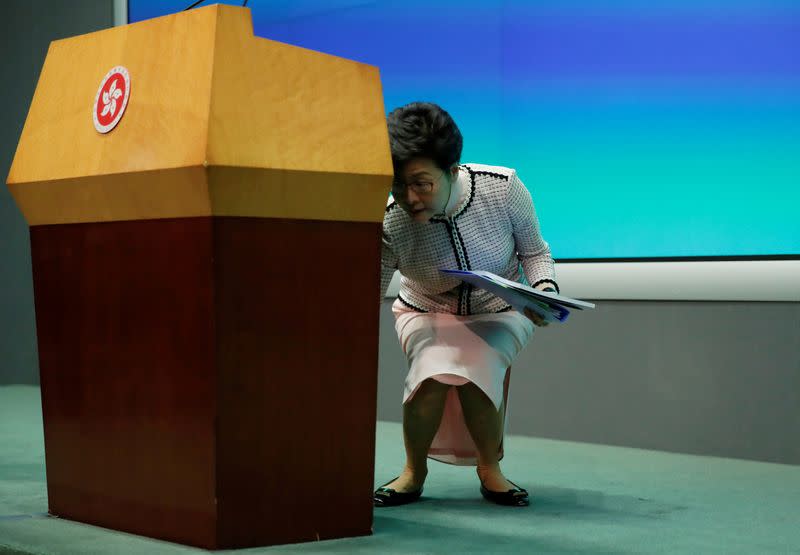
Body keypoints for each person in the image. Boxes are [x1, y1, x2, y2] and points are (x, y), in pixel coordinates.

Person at [374, 102, 559, 507]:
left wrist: (543, 291)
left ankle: (491, 470)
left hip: (502, 310)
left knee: (478, 368)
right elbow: (372, 282)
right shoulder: (390, 219)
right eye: (397, 185)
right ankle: (412, 471)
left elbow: (535, 253)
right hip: (423, 311)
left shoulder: (503, 187)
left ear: (452, 170)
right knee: (431, 372)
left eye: (422, 183)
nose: (409, 197)